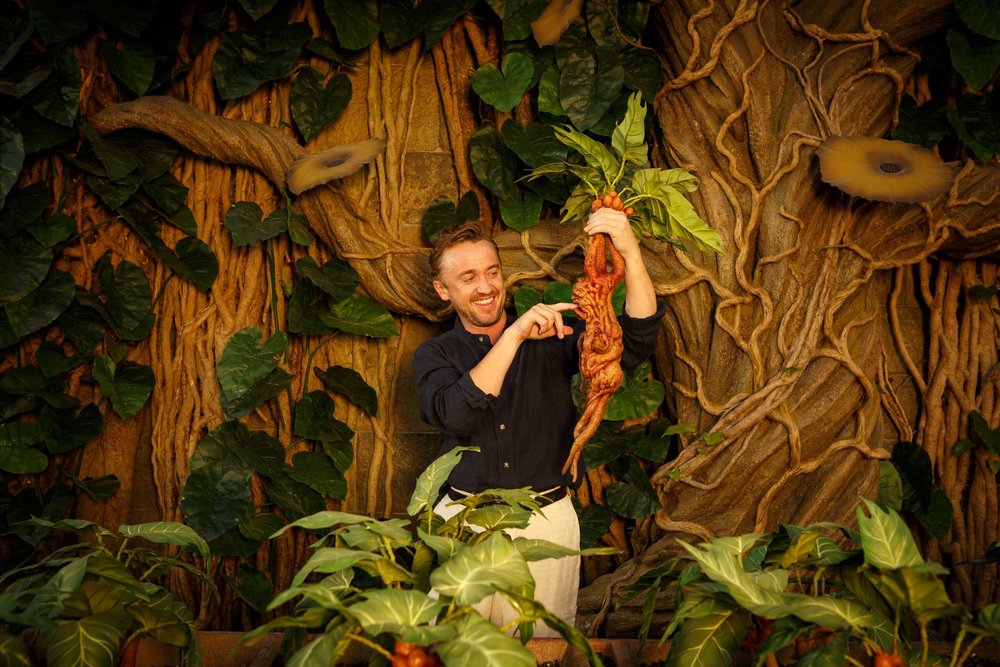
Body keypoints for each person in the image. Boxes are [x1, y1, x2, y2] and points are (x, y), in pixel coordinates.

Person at [412, 208, 665, 636]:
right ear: (442, 289)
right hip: (463, 522)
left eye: (492, 272)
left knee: (541, 649)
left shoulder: (554, 336)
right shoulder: (435, 355)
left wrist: (630, 251)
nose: (486, 287)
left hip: (546, 521)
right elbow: (457, 414)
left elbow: (636, 340)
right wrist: (514, 336)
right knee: (452, 649)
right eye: (468, 277)